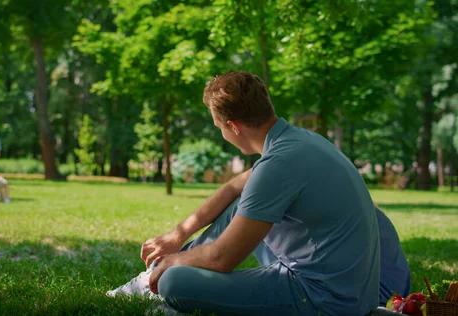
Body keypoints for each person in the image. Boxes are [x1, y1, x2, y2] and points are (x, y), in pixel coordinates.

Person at [107, 71, 391, 315]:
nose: (222, 134)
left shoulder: (277, 166)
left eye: (220, 127)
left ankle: (157, 281)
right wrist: (178, 235)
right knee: (240, 200)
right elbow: (234, 187)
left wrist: (174, 261)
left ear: (233, 126)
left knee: (174, 283)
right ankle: (151, 280)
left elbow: (222, 258)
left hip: (325, 301)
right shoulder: (301, 142)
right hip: (352, 291)